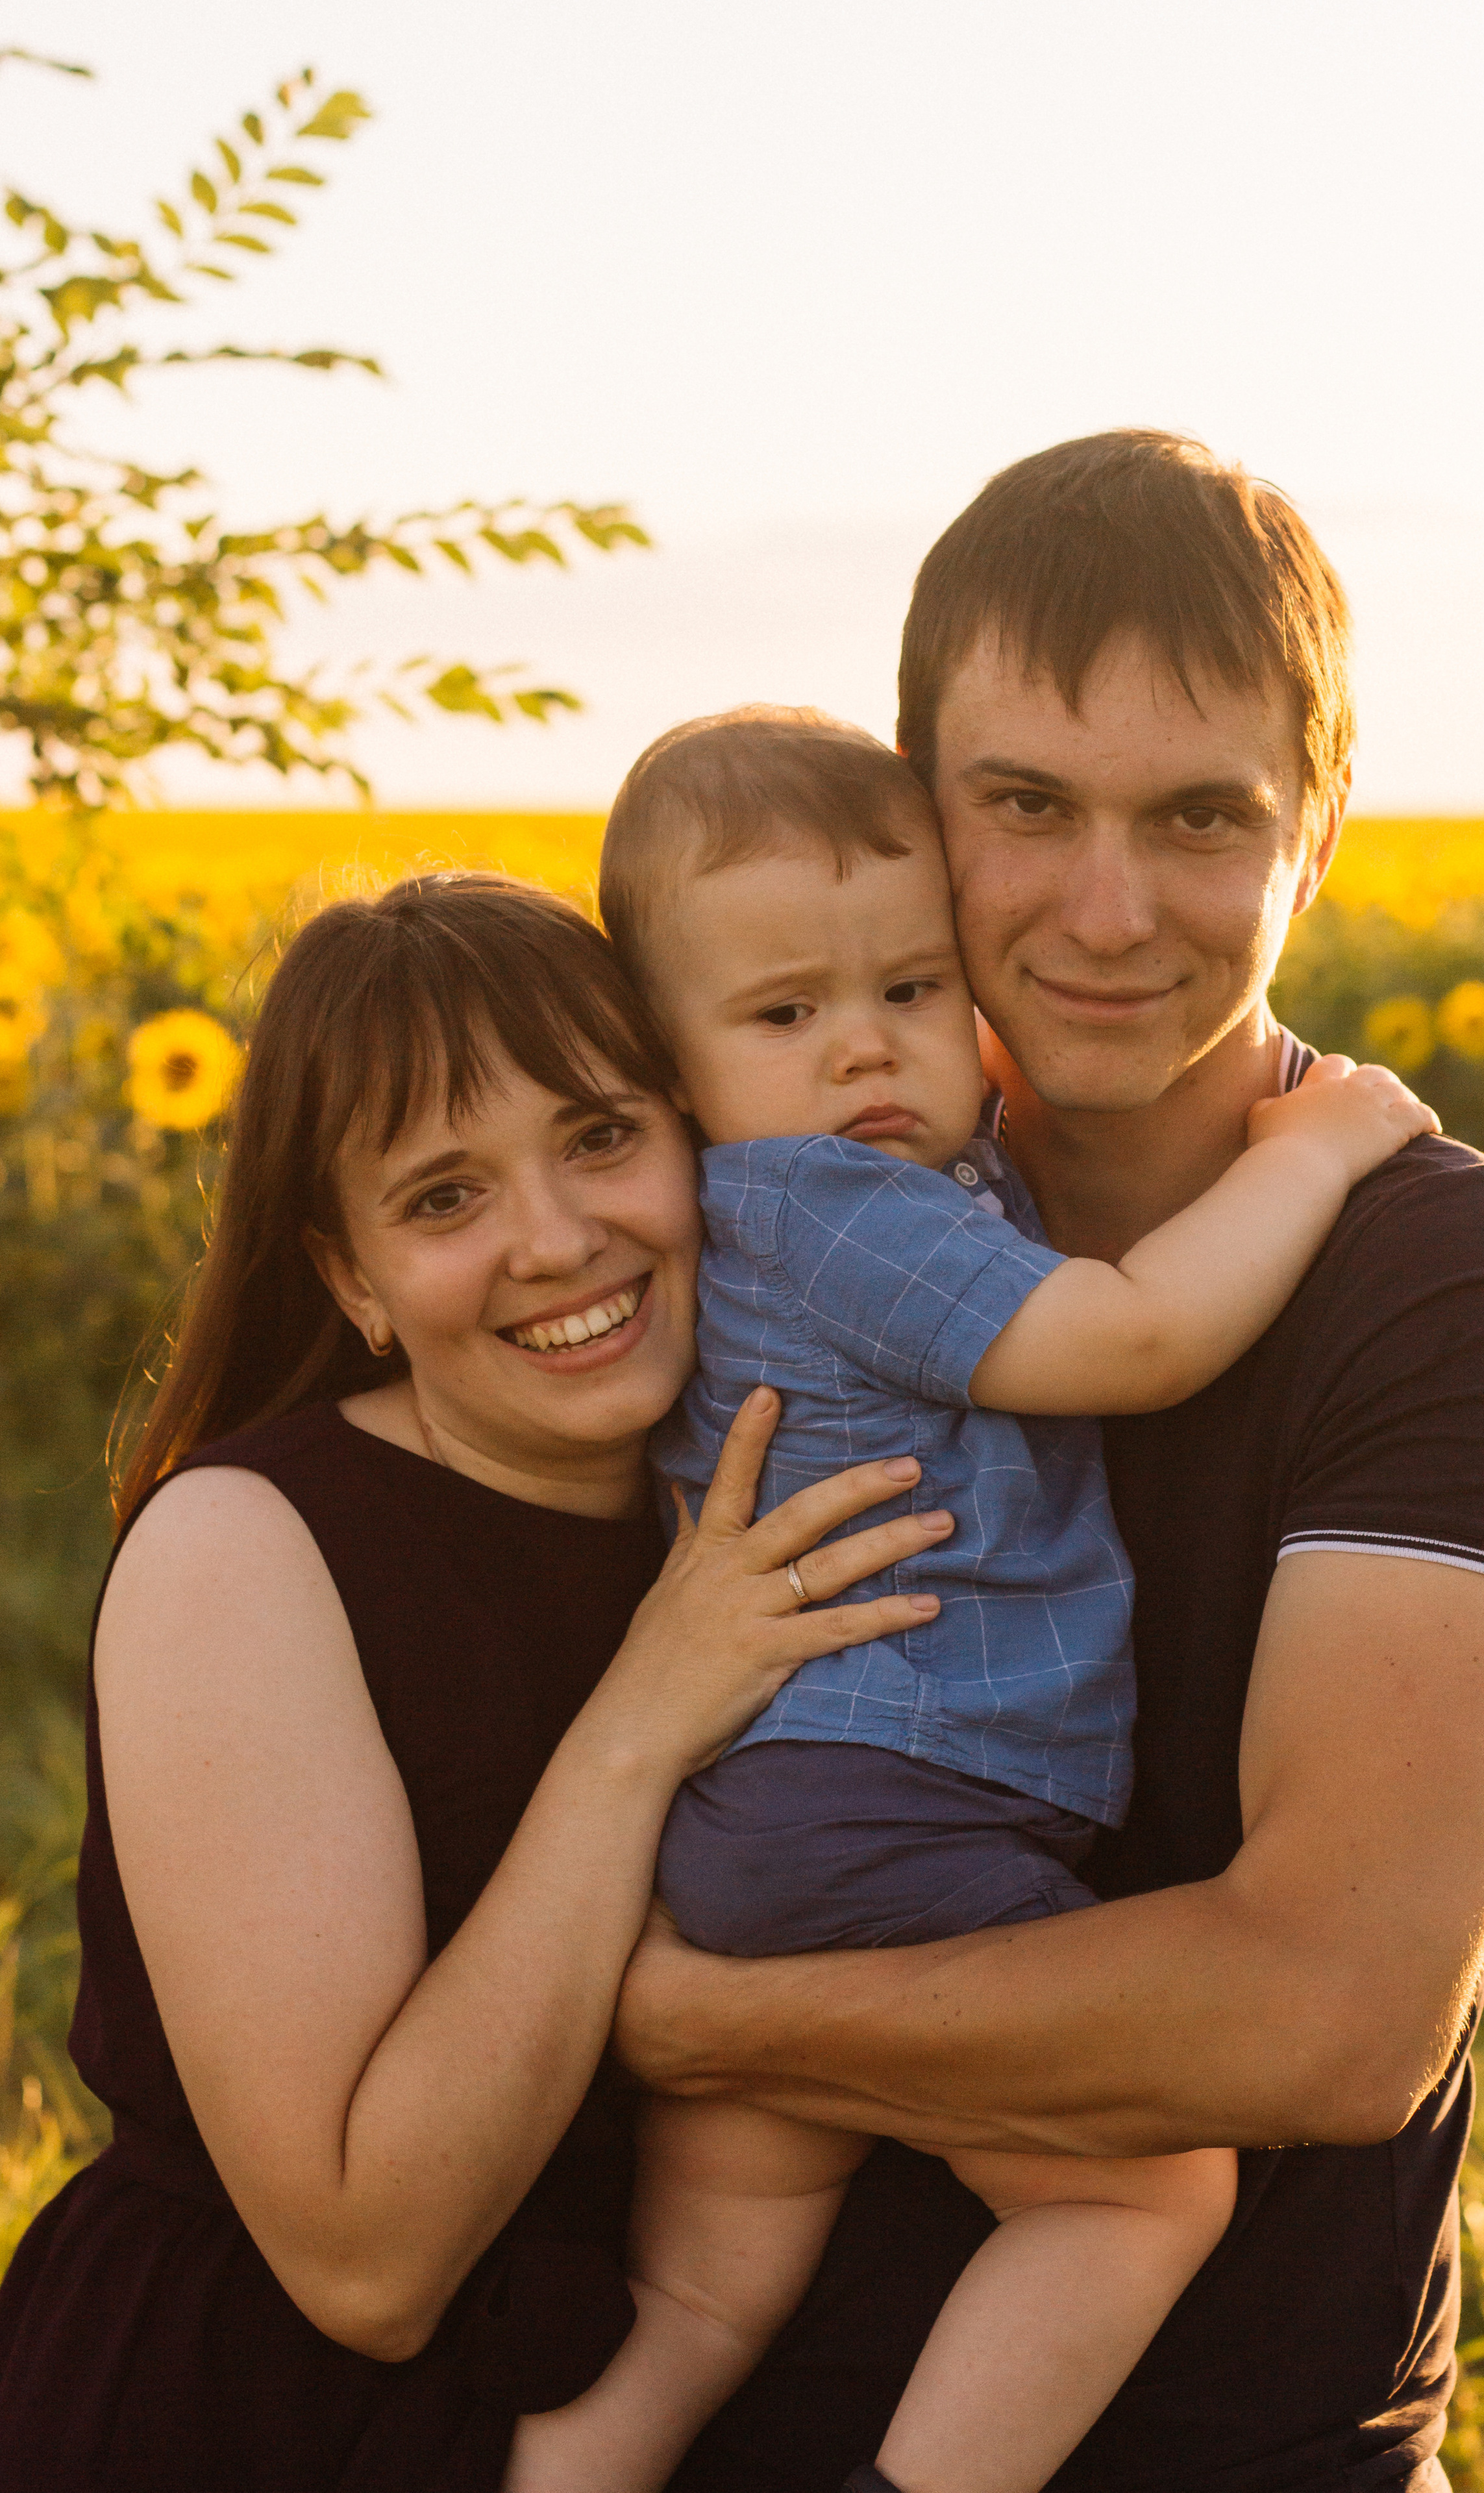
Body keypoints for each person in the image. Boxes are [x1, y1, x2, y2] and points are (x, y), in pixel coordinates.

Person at [613, 434, 1484, 2492]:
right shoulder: (745, 1186)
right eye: (1027, 804)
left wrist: (685, 2022)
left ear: (1319, 833)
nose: (1106, 909)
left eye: (1201, 817)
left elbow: (1328, 2016)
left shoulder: (1440, 1279)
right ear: (918, 808)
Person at [503, 708, 1435, 2493]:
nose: (862, 1044)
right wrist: (1312, 1153)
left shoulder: (871, 1174)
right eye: (784, 1015)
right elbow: (1135, 1340)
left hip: (772, 1824)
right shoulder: (830, 1205)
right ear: (672, 1070)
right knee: (1145, 2194)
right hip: (894, 1808)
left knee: (696, 2304)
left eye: (910, 989)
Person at [0, 873, 956, 2493]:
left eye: (600, 1137)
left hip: (656, 2398)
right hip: (267, 2422)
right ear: (352, 1278)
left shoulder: (776, 1475)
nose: (557, 1239)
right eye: (444, 1198)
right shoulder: (246, 1550)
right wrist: (636, 1724)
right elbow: (364, 2263)